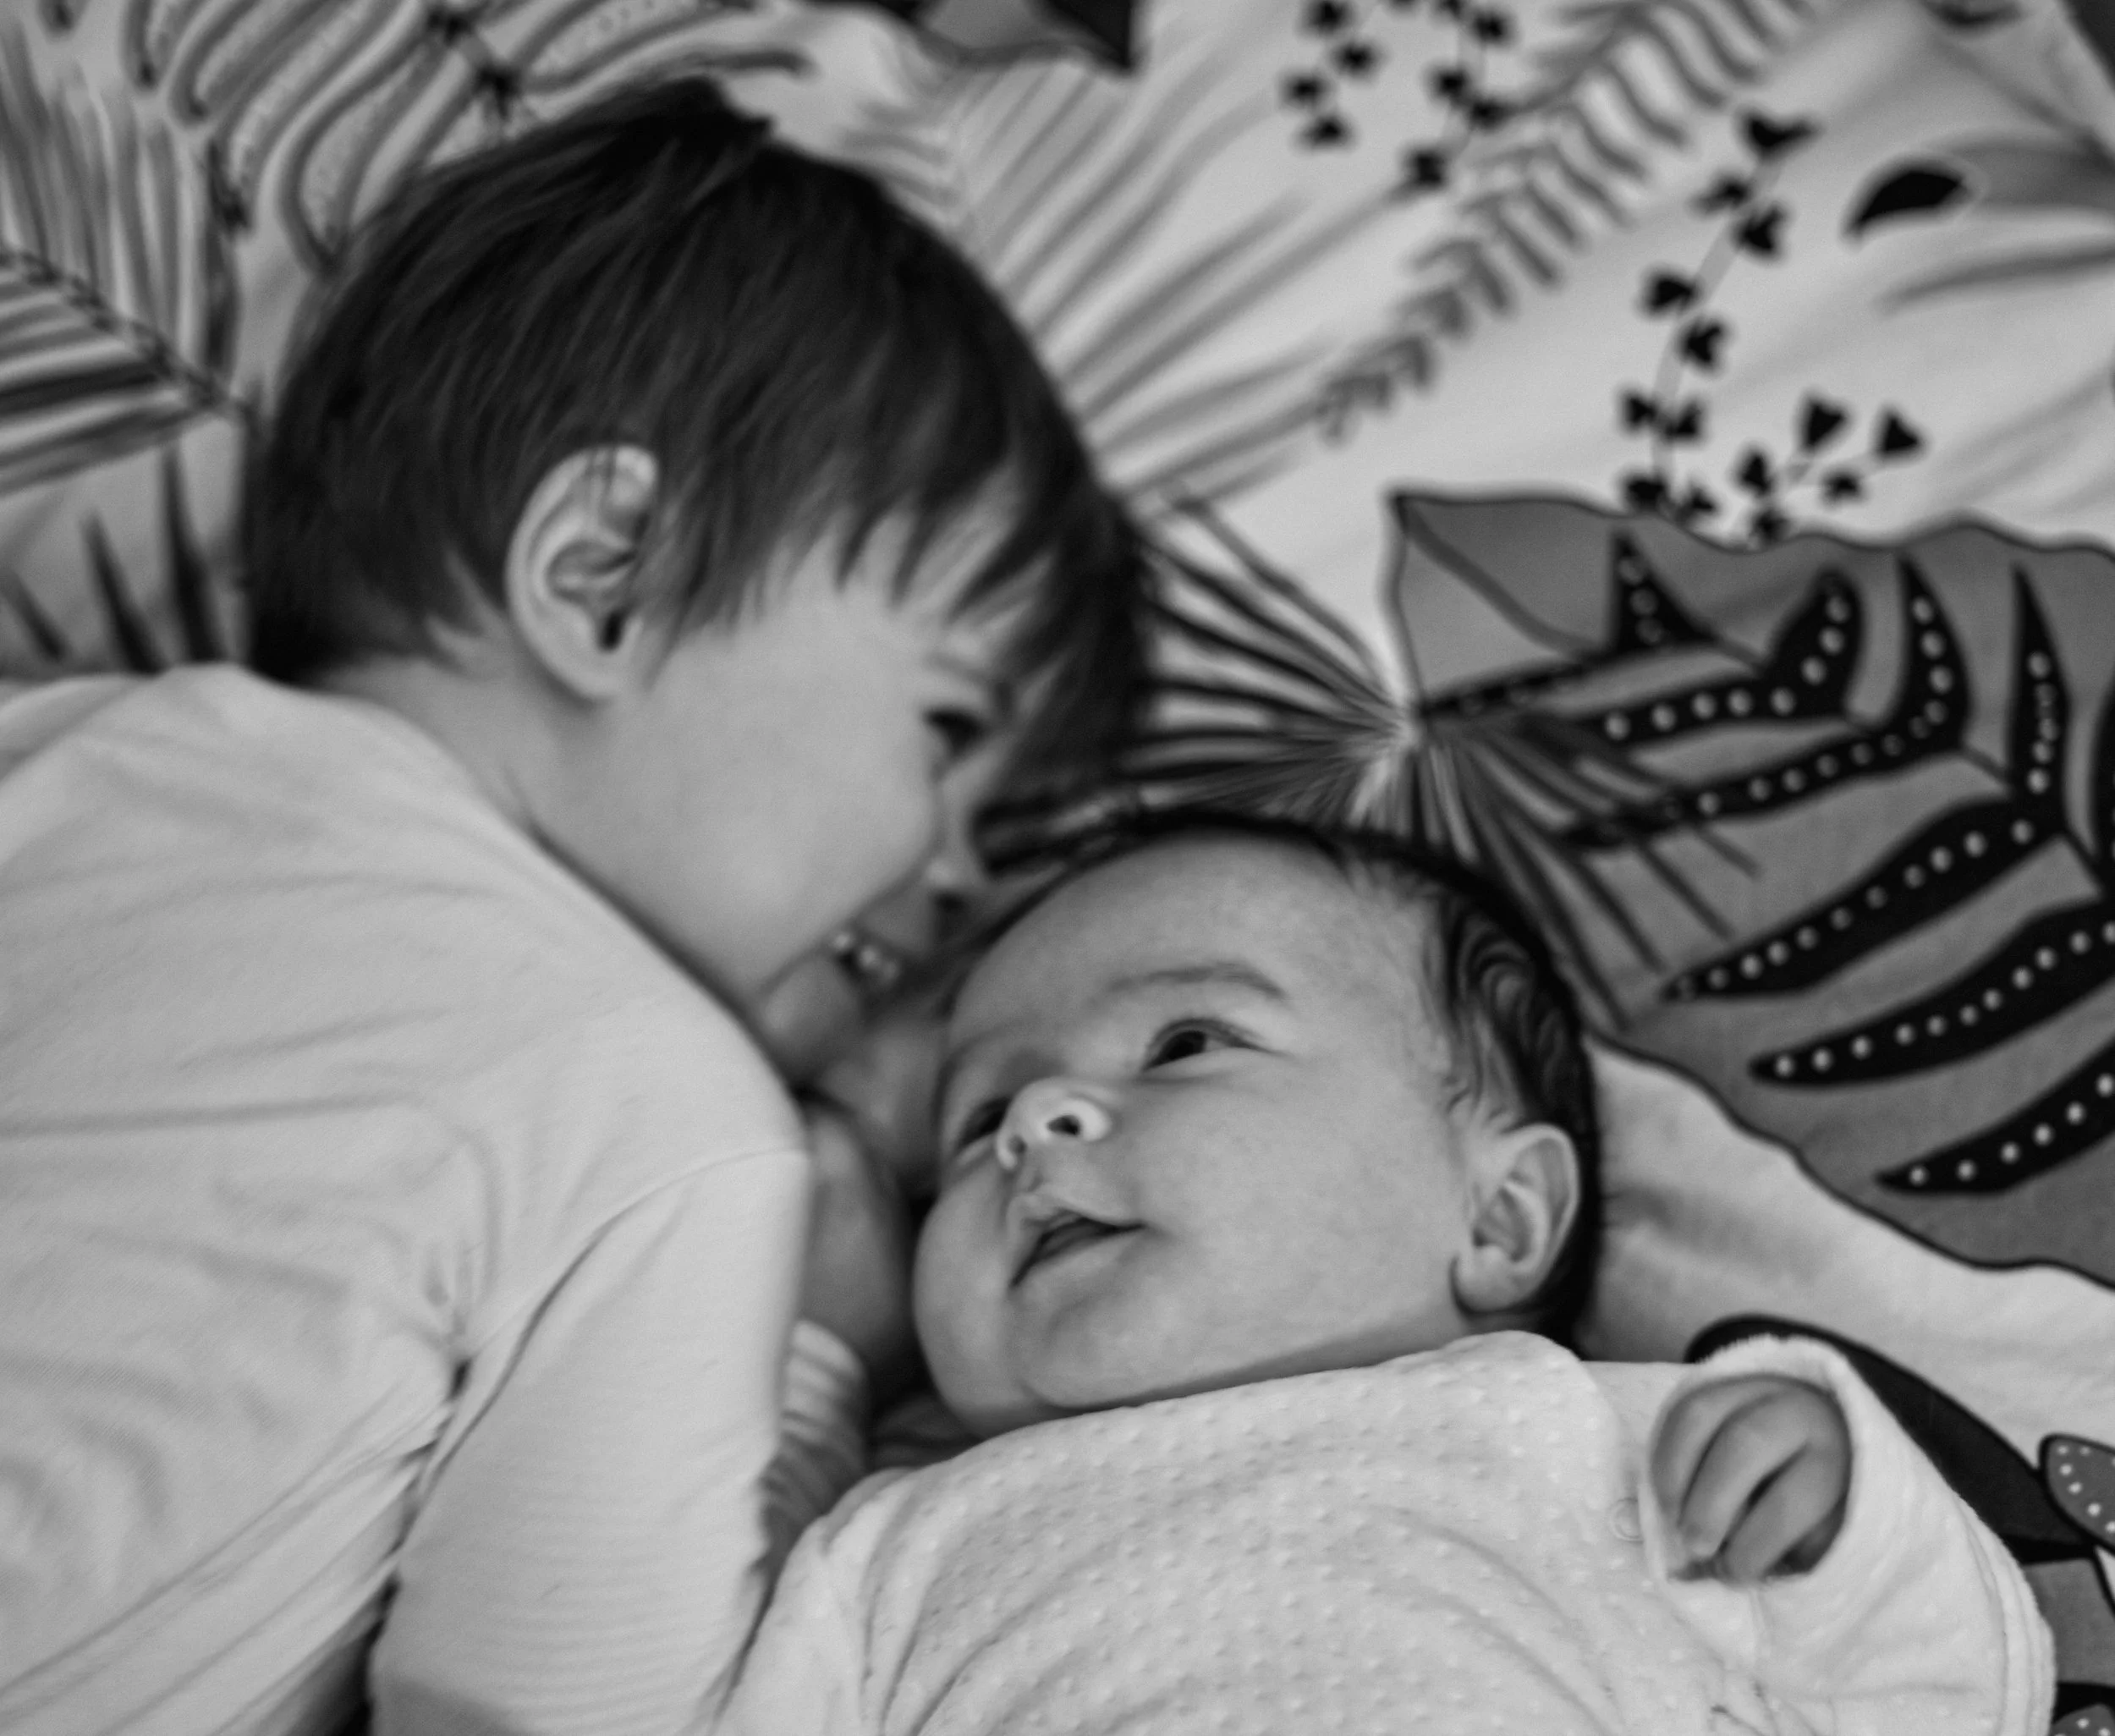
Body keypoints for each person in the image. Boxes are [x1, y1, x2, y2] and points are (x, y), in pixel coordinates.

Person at [0, 77, 1142, 1736]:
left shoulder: (55, 748)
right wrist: (819, 1368)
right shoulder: (653, 1108)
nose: (961, 869)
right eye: (948, 730)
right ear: (604, 573)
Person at [725, 812, 2054, 1736]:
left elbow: (1951, 1698)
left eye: (1185, 1039)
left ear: (1500, 1216)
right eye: (973, 1123)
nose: (1035, 1125)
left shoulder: (1596, 1440)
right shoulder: (888, 1547)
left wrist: (1837, 1522)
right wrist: (819, 1372)